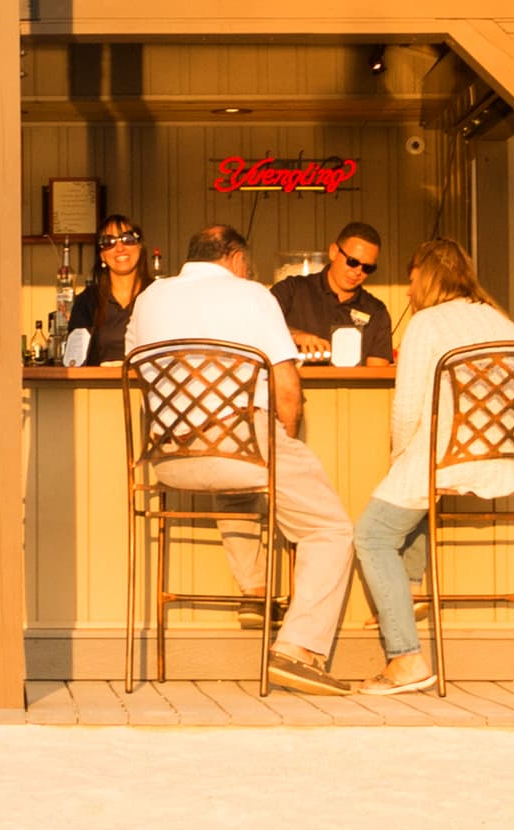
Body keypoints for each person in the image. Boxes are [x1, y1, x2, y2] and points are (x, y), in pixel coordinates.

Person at [126, 221, 356, 696]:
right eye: (246, 263)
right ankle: (298, 650)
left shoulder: (149, 297)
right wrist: (282, 440)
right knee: (329, 527)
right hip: (239, 444)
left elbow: (135, 369)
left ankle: (256, 591)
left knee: (241, 484)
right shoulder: (251, 294)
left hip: (166, 456)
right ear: (234, 257)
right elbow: (287, 389)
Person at [348, 237, 514, 697]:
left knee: (372, 532)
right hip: (508, 459)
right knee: (413, 495)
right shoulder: (500, 319)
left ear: (426, 278)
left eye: (411, 280)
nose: (407, 292)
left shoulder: (427, 323)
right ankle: (408, 586)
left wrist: (397, 459)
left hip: (449, 455)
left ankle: (406, 660)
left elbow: (408, 407)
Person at [273, 220, 395, 364]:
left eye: (367, 268)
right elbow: (257, 323)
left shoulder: (377, 312)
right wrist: (295, 335)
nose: (358, 271)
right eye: (352, 262)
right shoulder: (291, 290)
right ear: (334, 252)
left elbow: (377, 372)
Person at [61, 216, 152, 365]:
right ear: (102, 255)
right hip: (99, 387)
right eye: (108, 241)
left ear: (140, 246)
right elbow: (75, 360)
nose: (120, 248)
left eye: (128, 238)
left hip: (150, 385)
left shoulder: (158, 295)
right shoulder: (88, 301)